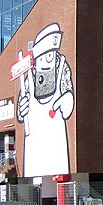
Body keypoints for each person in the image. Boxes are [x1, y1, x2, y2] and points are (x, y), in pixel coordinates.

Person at [16, 23, 74, 177]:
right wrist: (21, 110)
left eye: (51, 56)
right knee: (36, 179)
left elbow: (68, 96)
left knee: (59, 172)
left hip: (56, 142)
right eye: (43, 57)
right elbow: (20, 111)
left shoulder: (62, 68)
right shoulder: (28, 78)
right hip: (34, 144)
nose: (47, 62)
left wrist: (67, 101)